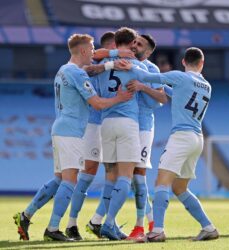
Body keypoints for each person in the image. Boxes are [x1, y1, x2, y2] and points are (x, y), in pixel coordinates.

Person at [13, 33, 132, 241]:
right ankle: (53, 228)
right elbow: (98, 104)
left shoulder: (64, 70)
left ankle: (26, 215)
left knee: (59, 179)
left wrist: (109, 64)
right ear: (84, 50)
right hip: (71, 132)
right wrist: (119, 98)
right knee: (70, 181)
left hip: (60, 128)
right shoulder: (77, 74)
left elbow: (89, 71)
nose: (94, 53)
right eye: (93, 48)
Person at [124, 47, 219, 242]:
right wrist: (151, 88)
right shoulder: (206, 85)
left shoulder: (179, 76)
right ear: (202, 64)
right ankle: (208, 227)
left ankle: (157, 230)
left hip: (182, 136)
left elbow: (146, 75)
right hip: (197, 138)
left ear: (184, 62)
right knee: (179, 188)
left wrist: (128, 66)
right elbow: (179, 95)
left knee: (161, 182)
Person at [65, 31, 129, 240]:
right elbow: (88, 69)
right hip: (94, 122)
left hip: (110, 122)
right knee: (88, 173)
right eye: (112, 48)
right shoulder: (92, 63)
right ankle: (71, 223)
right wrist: (111, 58)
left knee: (114, 174)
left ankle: (101, 220)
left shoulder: (120, 62)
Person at [96, 27, 148, 240]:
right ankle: (108, 223)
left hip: (106, 122)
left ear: (115, 42)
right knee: (126, 176)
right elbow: (156, 82)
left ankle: (110, 223)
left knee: (110, 176)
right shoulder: (136, 65)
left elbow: (91, 71)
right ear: (133, 42)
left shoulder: (101, 65)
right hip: (127, 123)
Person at [126, 34, 168, 240]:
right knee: (131, 179)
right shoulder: (124, 63)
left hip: (143, 127)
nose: (134, 45)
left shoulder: (152, 69)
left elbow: (162, 98)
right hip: (124, 126)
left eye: (139, 44)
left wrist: (142, 87)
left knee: (138, 174)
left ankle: (139, 227)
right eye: (134, 42)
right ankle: (151, 222)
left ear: (149, 51)